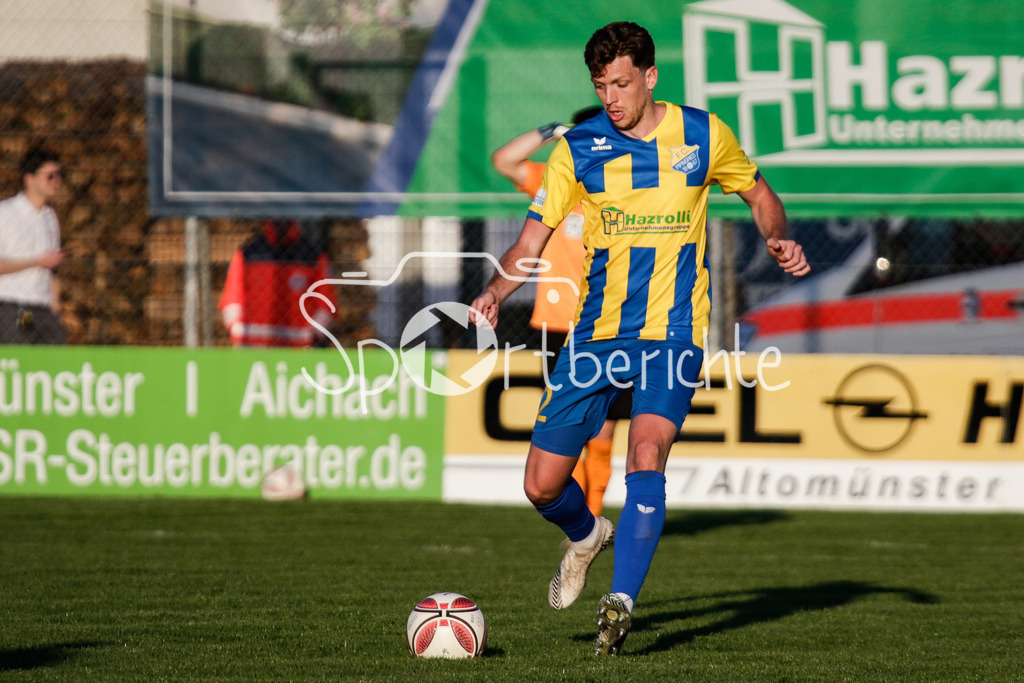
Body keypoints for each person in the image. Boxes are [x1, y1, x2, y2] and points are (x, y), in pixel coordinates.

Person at [470, 21, 809, 656]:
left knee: (646, 453)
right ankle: (586, 534)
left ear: (650, 77)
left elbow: (759, 191)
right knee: (542, 486)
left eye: (622, 83)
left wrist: (775, 234)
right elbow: (528, 243)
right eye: (602, 86)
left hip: (676, 331)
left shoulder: (704, 134)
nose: (612, 98)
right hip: (596, 334)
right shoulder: (578, 149)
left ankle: (620, 601)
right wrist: (495, 290)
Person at [490, 106, 628, 517]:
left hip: (611, 322)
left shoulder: (624, 190)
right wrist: (549, 130)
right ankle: (584, 523)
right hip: (557, 323)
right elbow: (504, 161)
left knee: (604, 430)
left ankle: (595, 517)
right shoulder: (556, 186)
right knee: (572, 428)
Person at [218, 219, 337, 347]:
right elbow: (232, 298)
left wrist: (313, 335)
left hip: (298, 349)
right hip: (254, 347)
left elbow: (326, 303)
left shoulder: (313, 257)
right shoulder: (248, 254)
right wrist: (237, 329)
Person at [0, 144, 66, 344]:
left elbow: (53, 269)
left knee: (56, 360)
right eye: (50, 176)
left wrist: (55, 307)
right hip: (17, 308)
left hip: (43, 310)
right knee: (22, 357)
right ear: (29, 179)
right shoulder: (6, 214)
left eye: (59, 175)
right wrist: (36, 262)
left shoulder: (50, 217)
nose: (56, 181)